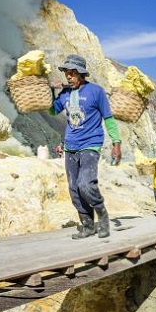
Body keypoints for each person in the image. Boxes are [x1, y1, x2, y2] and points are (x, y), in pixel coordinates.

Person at [50, 54, 122, 239]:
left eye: (73, 73)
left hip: (91, 143)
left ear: (81, 74)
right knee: (74, 188)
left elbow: (109, 118)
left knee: (85, 184)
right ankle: (88, 225)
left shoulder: (96, 92)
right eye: (67, 73)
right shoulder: (65, 93)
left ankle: (103, 217)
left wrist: (116, 143)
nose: (69, 77)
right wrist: (51, 91)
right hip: (70, 146)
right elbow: (52, 110)